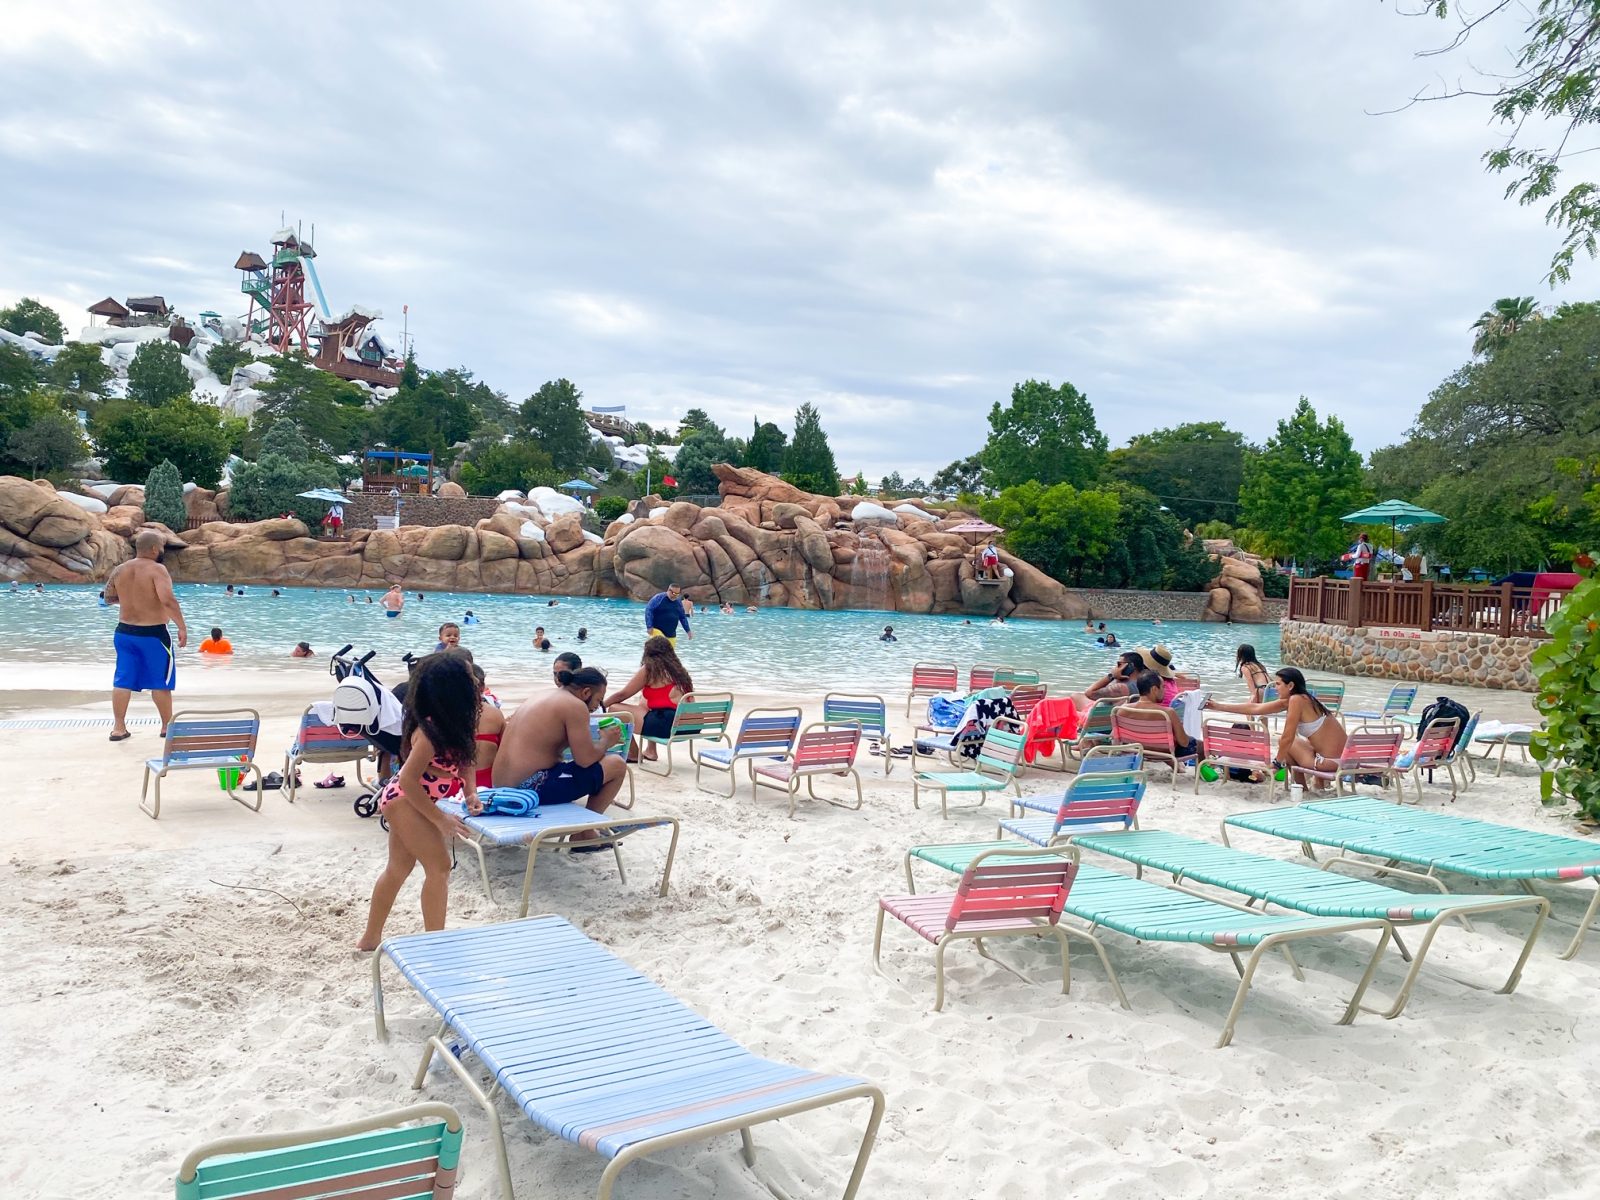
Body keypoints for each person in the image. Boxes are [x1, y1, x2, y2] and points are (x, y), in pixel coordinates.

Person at [357, 653, 481, 950]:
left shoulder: (458, 725)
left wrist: (471, 793)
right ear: (452, 689)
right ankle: (436, 942)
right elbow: (409, 781)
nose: (476, 680)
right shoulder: (429, 732)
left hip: (415, 801)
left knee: (398, 869)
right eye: (469, 677)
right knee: (439, 867)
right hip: (404, 799)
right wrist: (439, 819)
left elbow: (466, 765)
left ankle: (370, 939)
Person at [492, 666, 627, 826]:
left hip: (500, 784)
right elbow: (585, 760)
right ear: (586, 692)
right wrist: (606, 741)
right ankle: (585, 833)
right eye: (598, 700)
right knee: (616, 765)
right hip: (526, 788)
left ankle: (586, 828)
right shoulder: (576, 706)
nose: (596, 707)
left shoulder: (544, 695)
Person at [104, 529, 187, 742]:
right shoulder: (158, 569)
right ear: (152, 549)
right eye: (161, 547)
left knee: (122, 679)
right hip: (153, 634)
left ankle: (119, 728)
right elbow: (167, 599)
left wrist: (133, 601)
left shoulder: (120, 569)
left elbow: (108, 597)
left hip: (124, 633)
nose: (162, 551)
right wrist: (181, 626)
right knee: (160, 682)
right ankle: (167, 727)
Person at [1207, 667, 1348, 792]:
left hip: (1330, 762)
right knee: (1288, 745)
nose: (1275, 688)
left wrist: (1277, 764)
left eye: (1278, 684)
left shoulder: (1296, 701)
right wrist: (1218, 706)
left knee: (1285, 742)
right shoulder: (1302, 699)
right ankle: (1305, 787)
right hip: (1342, 759)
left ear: (1291, 685)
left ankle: (1303, 788)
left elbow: (1288, 736)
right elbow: (1255, 708)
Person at [605, 639, 693, 758]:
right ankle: (651, 751)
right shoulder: (679, 671)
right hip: (690, 726)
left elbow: (622, 695)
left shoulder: (650, 669)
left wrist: (600, 705)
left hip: (670, 726)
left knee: (615, 709)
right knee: (645, 700)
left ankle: (634, 753)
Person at [1126, 670, 1200, 759]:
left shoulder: (1122, 710)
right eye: (1163, 687)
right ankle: (1202, 772)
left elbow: (1114, 735)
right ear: (1154, 689)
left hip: (1137, 750)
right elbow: (1184, 742)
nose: (1164, 690)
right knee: (1200, 746)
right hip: (1164, 752)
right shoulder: (1168, 713)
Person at [469, 663, 504, 791]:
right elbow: (505, 752)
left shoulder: (442, 714)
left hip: (454, 783)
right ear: (483, 687)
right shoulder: (495, 714)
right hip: (488, 782)